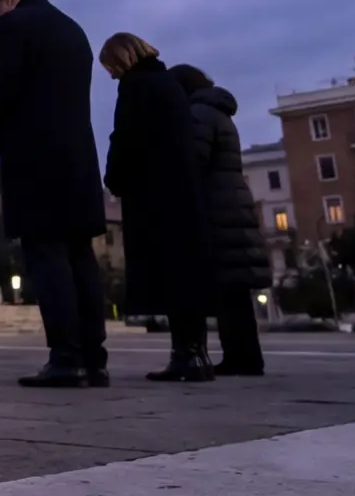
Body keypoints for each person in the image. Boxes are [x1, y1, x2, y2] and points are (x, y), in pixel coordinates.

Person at [0, 0, 110, 388]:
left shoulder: (13, 25)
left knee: (47, 257)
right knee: (80, 258)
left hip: (34, 158)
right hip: (78, 159)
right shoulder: (73, 29)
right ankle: (94, 360)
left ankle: (66, 360)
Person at [101, 33, 212, 383]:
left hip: (155, 195)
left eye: (111, 67)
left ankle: (186, 356)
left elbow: (126, 137)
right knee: (186, 276)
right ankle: (196, 354)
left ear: (122, 59)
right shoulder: (168, 83)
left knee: (172, 275)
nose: (111, 75)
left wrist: (115, 178)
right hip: (182, 192)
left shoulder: (135, 87)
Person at [173, 64, 267, 377]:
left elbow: (193, 159)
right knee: (236, 290)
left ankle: (240, 358)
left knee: (227, 289)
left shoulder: (198, 114)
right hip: (232, 203)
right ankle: (246, 357)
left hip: (217, 206)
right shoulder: (219, 113)